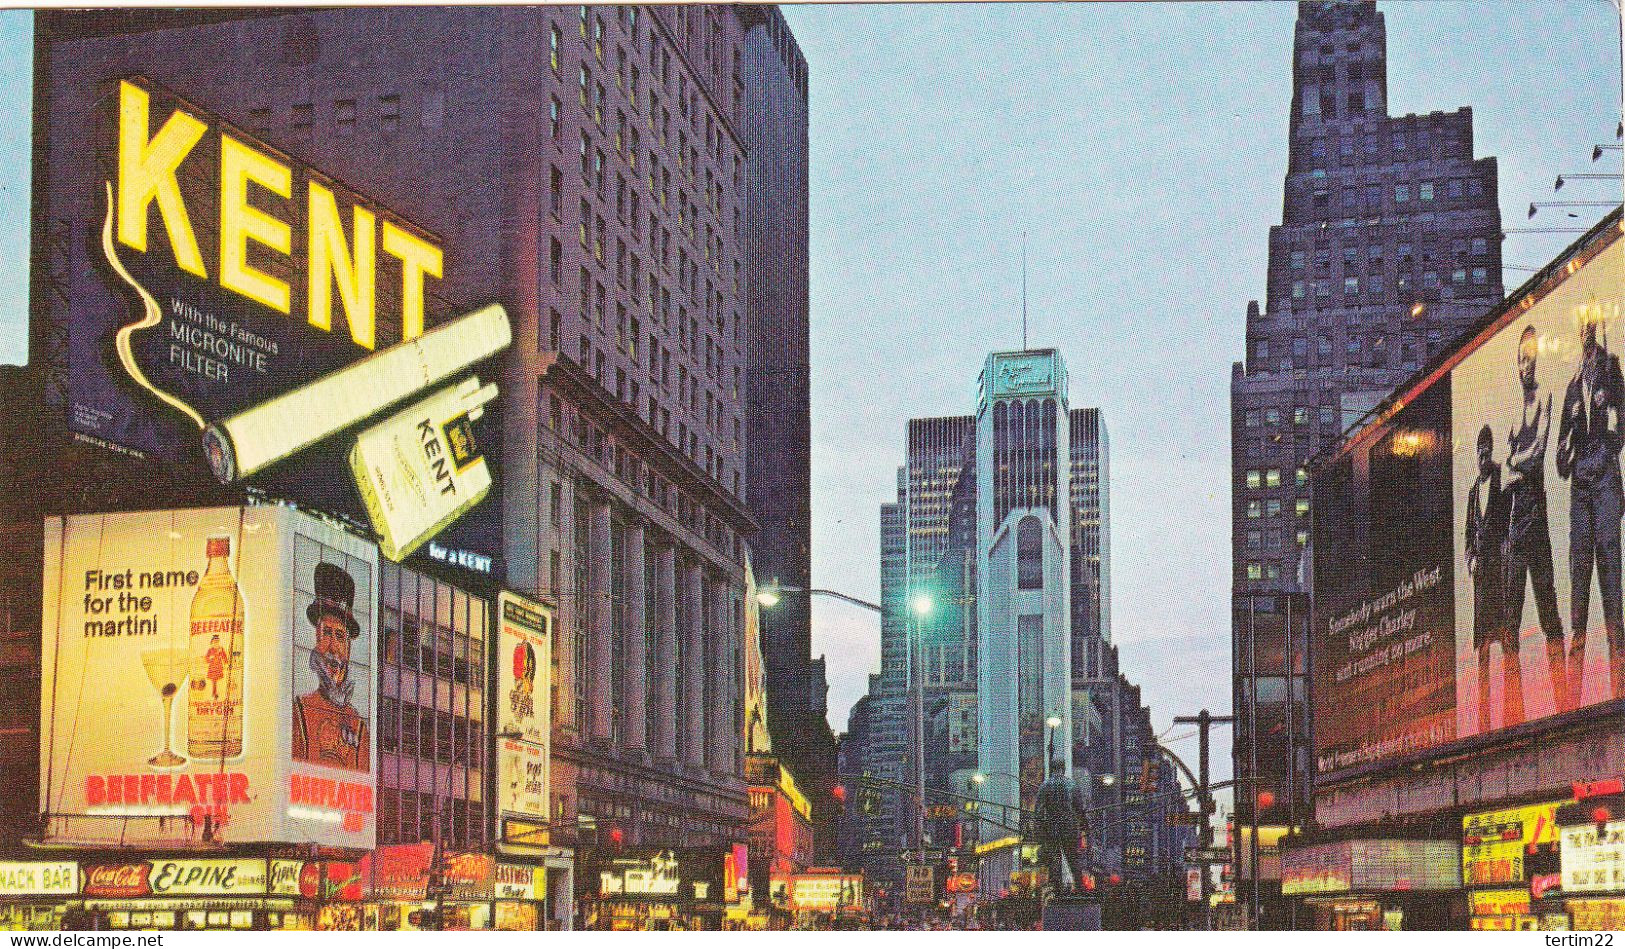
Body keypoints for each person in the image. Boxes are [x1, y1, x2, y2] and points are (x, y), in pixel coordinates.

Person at [1557, 315, 1625, 701]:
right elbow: (1560, 459)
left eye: (1589, 328)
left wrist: (1610, 412)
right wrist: (1567, 451)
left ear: (1596, 331)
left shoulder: (1611, 368)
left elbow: (1624, 422)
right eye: (1580, 329)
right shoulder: (1571, 389)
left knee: (1612, 594)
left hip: (1604, 485)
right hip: (1579, 492)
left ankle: (1619, 694)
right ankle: (1572, 702)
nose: (1585, 335)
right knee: (1578, 599)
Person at [1504, 325, 1570, 714]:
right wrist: (1518, 463)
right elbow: (1512, 471)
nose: (1527, 365)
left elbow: (1539, 453)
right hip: (1516, 522)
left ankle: (1564, 704)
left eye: (1531, 357)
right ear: (1516, 364)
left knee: (1549, 615)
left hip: (1537, 519)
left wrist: (1516, 460)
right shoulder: (1513, 409)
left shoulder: (1544, 396)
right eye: (1521, 359)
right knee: (1511, 621)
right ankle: (1515, 715)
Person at [293, 562, 371, 771]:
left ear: (349, 648)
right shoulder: (299, 711)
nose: (334, 648)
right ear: (316, 638)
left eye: (340, 636)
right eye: (327, 633)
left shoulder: (359, 727)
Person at [1467, 425, 1520, 730]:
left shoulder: (1502, 479)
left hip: (1500, 573)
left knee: (1507, 641)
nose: (1483, 454)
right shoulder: (1474, 490)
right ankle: (1484, 722)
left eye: (1487, 449)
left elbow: (1511, 518)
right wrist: (1470, 558)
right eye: (1479, 449)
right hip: (1481, 578)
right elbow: (1467, 534)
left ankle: (1512, 715)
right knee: (1483, 648)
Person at [1031, 758, 1088, 895]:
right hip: (1069, 826)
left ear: (1051, 768)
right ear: (1063, 768)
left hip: (1052, 826)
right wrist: (1085, 827)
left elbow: (1038, 812)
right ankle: (1080, 889)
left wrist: (1039, 829)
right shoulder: (1072, 785)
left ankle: (1057, 890)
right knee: (1073, 858)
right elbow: (1080, 809)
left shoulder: (1045, 785)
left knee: (1055, 859)